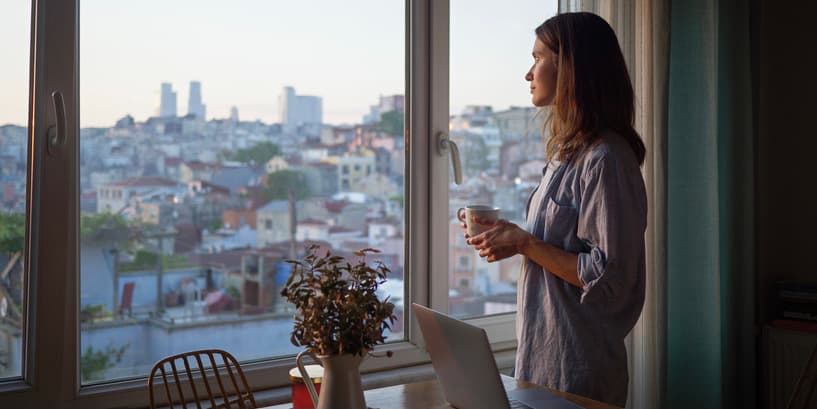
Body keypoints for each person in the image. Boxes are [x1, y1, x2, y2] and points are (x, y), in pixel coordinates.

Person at [463, 12, 647, 407]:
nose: (528, 73)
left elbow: (609, 276)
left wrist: (527, 244)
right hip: (541, 364)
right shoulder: (568, 155)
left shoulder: (606, 159)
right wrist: (513, 238)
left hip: (579, 373)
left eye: (538, 58)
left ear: (571, 68)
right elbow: (556, 248)